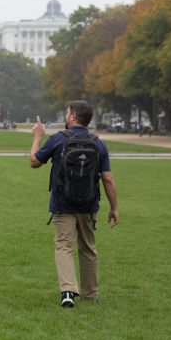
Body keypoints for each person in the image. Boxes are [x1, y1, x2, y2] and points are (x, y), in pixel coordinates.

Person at [29, 100, 119, 308]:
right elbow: (108, 179)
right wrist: (114, 208)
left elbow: (34, 162)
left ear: (73, 116)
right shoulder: (98, 143)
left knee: (64, 246)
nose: (66, 114)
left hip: (63, 203)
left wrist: (37, 136)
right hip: (89, 204)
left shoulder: (58, 139)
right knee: (88, 248)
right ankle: (90, 294)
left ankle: (68, 291)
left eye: (67, 112)